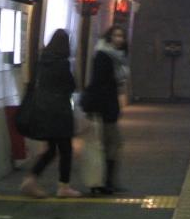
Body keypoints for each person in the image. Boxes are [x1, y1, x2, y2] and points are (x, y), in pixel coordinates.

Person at [21, 28, 81, 198]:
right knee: (66, 149)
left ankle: (30, 180)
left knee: (51, 150)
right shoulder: (62, 63)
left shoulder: (42, 61)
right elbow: (70, 86)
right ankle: (63, 187)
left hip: (44, 112)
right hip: (59, 113)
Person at [82, 23, 130, 194]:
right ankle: (104, 182)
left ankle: (105, 182)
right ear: (109, 37)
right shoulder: (103, 56)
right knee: (112, 143)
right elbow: (99, 84)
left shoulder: (116, 57)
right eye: (116, 35)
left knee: (109, 144)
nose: (119, 39)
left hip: (108, 107)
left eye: (121, 36)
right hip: (103, 108)